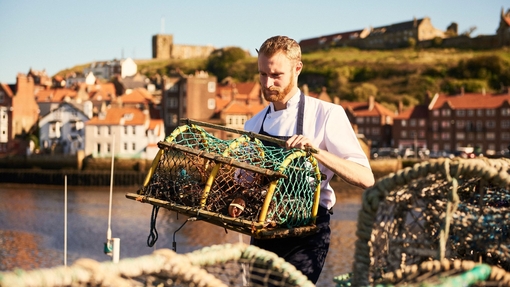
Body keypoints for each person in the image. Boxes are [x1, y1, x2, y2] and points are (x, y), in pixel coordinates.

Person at [244, 35, 375, 284]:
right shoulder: (253, 123)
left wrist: (316, 151)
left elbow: (366, 178)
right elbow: (245, 182)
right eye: (262, 74)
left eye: (276, 75)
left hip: (307, 232)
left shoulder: (326, 114)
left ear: (297, 69)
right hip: (262, 229)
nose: (268, 83)